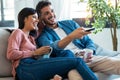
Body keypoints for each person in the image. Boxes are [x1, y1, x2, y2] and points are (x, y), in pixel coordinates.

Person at [7, 7, 98, 80]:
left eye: (38, 18)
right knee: (77, 61)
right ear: (24, 19)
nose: (37, 20)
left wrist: (44, 52)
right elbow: (11, 54)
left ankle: (55, 76)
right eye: (34, 17)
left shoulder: (31, 38)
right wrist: (34, 52)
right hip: (24, 67)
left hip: (34, 66)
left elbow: (42, 30)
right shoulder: (18, 32)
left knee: (67, 53)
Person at [35, 0, 120, 77]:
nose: (51, 15)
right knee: (75, 77)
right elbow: (53, 49)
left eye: (52, 11)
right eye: (46, 13)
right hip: (71, 64)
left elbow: (88, 41)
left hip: (88, 58)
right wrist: (71, 36)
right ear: (40, 17)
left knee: (117, 64)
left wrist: (89, 51)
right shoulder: (43, 36)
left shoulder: (70, 23)